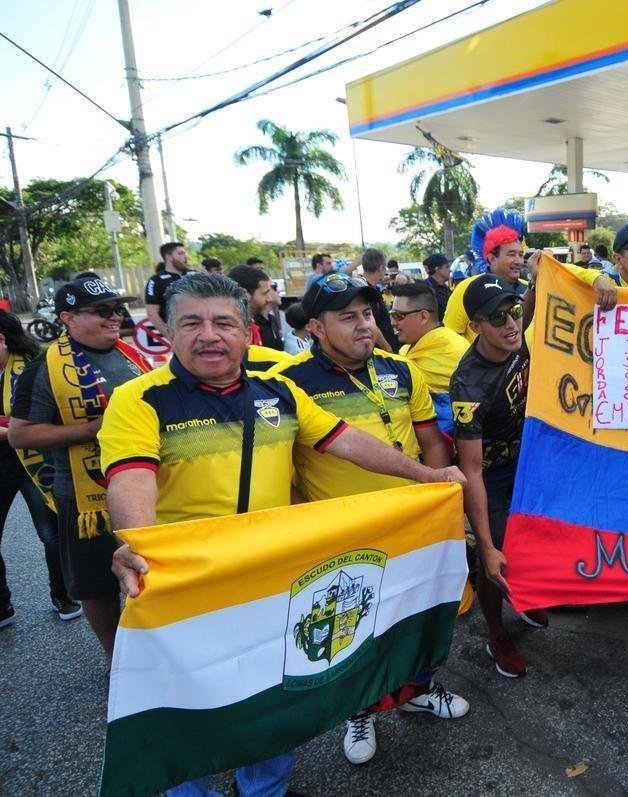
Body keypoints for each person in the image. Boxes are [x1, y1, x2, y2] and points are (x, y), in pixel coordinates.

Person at [101, 272, 465, 794]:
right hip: (186, 584)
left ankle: (265, 788)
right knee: (188, 711)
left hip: (272, 579)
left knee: (272, 696)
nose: (210, 336)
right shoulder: (141, 399)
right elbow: (130, 477)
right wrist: (135, 544)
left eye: (224, 322)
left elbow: (348, 442)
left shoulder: (281, 391)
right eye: (193, 324)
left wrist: (428, 477)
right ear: (168, 332)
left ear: (248, 330)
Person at [272, 273, 469, 766]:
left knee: (416, 617)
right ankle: (359, 709)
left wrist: (440, 493)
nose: (365, 326)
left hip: (413, 524)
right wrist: (307, 522)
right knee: (353, 627)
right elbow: (286, 469)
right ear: (316, 327)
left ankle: (418, 688)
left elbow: (430, 440)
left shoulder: (401, 370)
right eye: (348, 317)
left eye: (368, 314)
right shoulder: (290, 384)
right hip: (344, 534)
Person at [8, 279, 151, 660]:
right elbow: (21, 435)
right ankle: (116, 659)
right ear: (68, 317)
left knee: (150, 573)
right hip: (87, 500)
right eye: (104, 310)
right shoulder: (45, 369)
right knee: (97, 586)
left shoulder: (130, 355)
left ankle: (153, 652)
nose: (116, 316)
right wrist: (89, 430)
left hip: (146, 487)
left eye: (118, 309)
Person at [451, 275, 543, 678]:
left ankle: (529, 596)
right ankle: (495, 632)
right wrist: (485, 544)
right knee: (496, 560)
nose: (511, 324)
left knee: (537, 540)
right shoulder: (467, 384)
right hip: (494, 476)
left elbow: (532, 299)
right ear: (476, 326)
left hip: (532, 462)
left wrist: (541, 277)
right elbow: (471, 470)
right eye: (497, 317)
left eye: (514, 313)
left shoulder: (514, 331)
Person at [0, 311, 80, 627]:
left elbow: (46, 421)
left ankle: (64, 595)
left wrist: (11, 430)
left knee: (51, 534)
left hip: (36, 461)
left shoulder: (36, 366)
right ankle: (2, 606)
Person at [391, 282, 469, 444]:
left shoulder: (452, 349)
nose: (393, 322)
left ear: (423, 316)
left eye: (399, 316)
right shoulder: (407, 349)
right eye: (392, 315)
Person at [444, 209, 530, 343]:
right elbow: (451, 336)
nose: (519, 261)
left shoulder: (530, 290)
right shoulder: (467, 288)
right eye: (511, 254)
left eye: (520, 254)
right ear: (492, 258)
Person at [227, 265, 283, 350]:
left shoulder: (251, 327)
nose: (269, 298)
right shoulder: (233, 334)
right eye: (264, 293)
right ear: (245, 295)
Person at [359, 248, 400, 352]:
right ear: (381, 268)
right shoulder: (367, 292)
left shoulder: (363, 286)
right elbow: (370, 324)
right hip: (381, 352)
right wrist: (388, 348)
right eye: (385, 268)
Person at [143, 242, 189, 330]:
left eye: (185, 253)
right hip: (176, 331)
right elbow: (152, 313)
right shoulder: (155, 280)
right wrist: (169, 336)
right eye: (180, 253)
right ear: (168, 257)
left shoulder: (196, 275)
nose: (186, 256)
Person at [422, 252, 453, 321]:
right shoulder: (426, 289)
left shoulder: (445, 288)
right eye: (447, 267)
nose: (450, 270)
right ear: (437, 269)